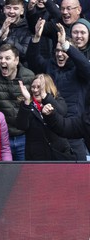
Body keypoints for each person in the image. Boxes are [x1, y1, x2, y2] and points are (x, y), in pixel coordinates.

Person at [26, 20, 90, 160]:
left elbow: (86, 67)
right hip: (54, 128)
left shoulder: (79, 69)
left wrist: (67, 46)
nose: (60, 54)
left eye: (63, 51)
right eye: (57, 50)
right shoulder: (49, 66)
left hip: (75, 130)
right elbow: (33, 60)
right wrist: (36, 38)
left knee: (79, 174)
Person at [16, 74, 75, 161]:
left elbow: (62, 112)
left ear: (47, 87)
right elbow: (21, 126)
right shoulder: (27, 105)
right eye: (33, 87)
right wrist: (26, 102)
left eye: (39, 87)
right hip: (37, 156)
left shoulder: (57, 100)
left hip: (59, 154)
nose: (35, 90)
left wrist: (45, 97)